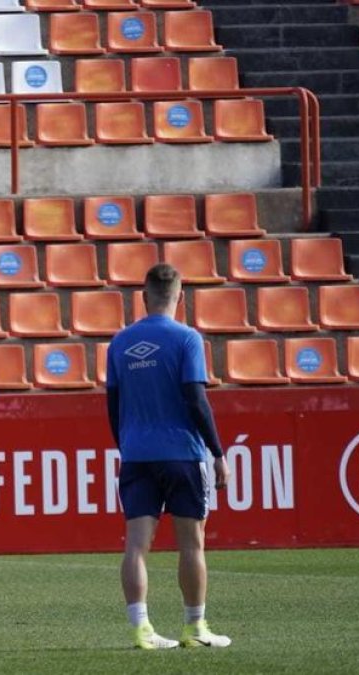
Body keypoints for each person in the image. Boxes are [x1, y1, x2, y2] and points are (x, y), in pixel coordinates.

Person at [106, 263, 232, 651]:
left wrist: (126, 445)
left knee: (135, 545)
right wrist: (217, 451)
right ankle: (195, 627)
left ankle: (141, 628)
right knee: (192, 544)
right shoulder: (187, 339)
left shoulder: (120, 342)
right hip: (182, 453)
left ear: (144, 297)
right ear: (180, 297)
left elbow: (113, 403)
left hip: (137, 455)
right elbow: (196, 397)